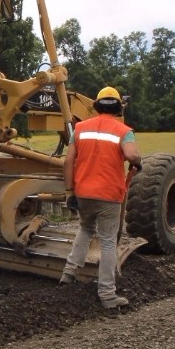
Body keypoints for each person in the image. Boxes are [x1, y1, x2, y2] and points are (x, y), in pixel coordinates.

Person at [59, 86, 142, 309]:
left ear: (96, 106)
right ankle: (107, 294)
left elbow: (68, 162)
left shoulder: (80, 128)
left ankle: (68, 273)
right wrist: (137, 161)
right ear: (118, 107)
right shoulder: (124, 130)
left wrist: (69, 192)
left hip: (83, 192)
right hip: (108, 196)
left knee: (85, 229)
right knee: (107, 240)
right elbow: (132, 154)